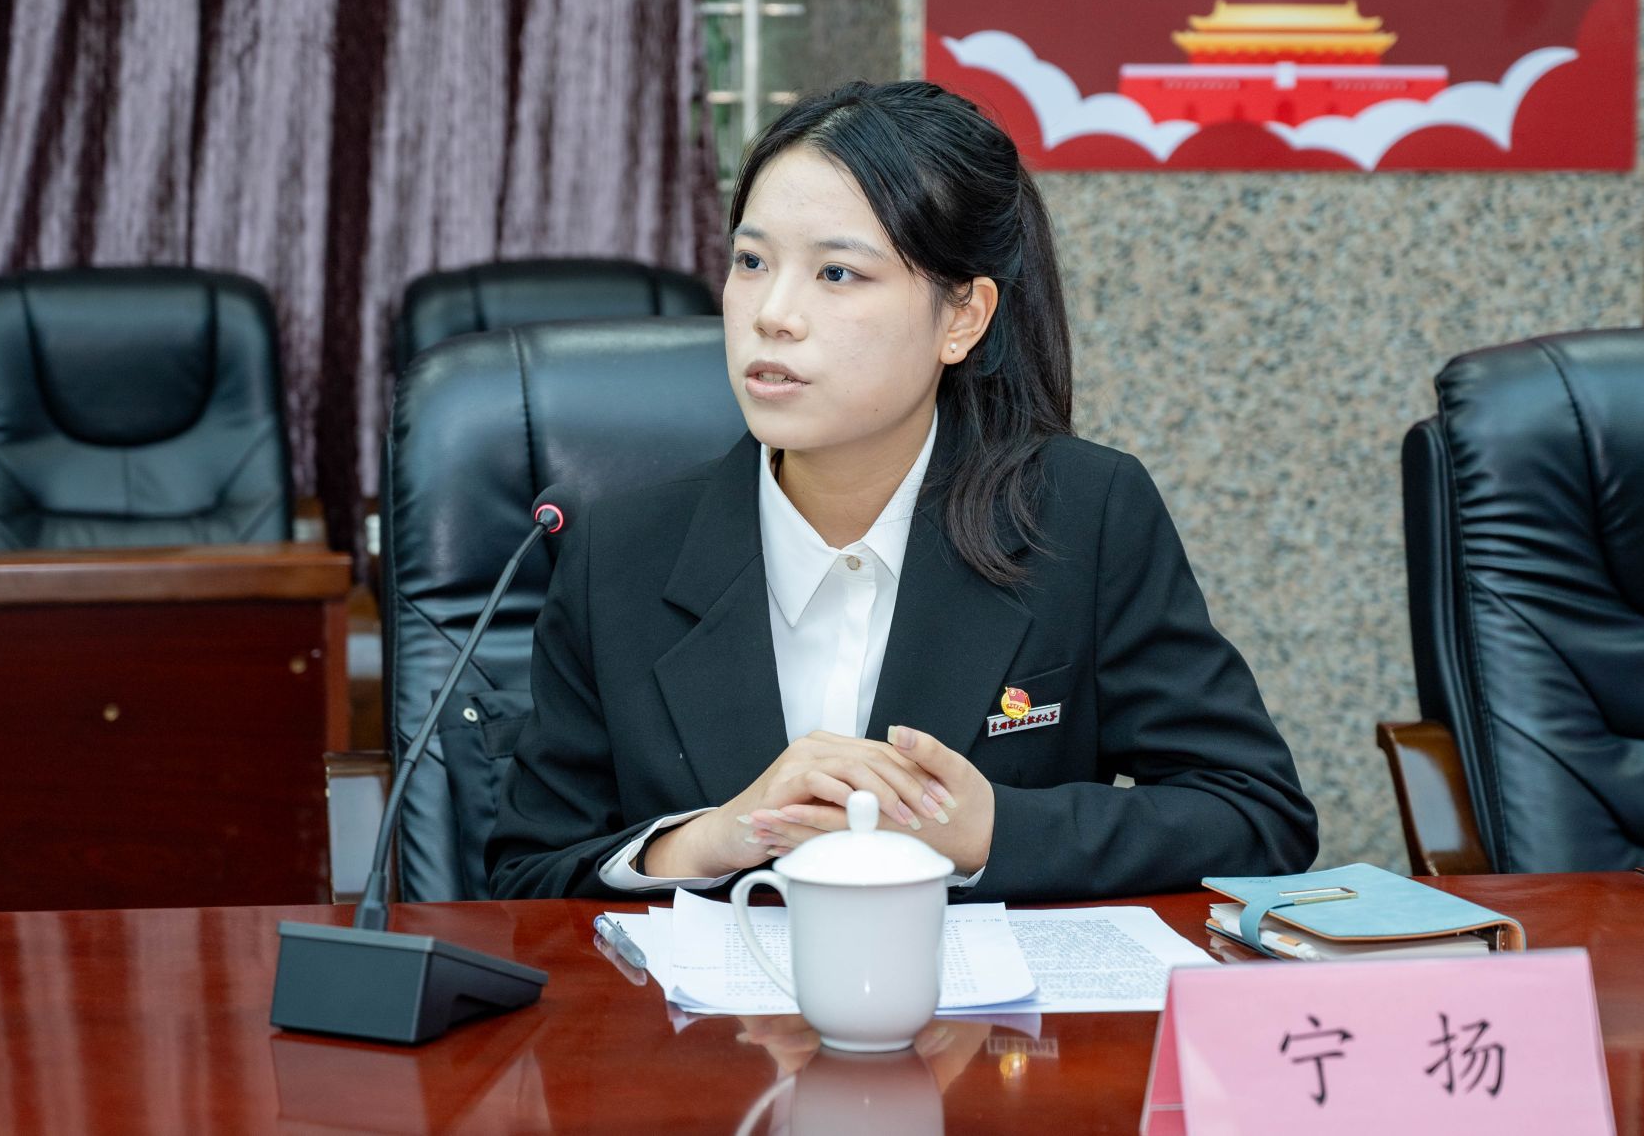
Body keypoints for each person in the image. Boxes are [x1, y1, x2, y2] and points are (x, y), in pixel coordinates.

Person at [488, 80, 1315, 902]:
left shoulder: (1080, 514)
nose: (773, 314)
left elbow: (1255, 813)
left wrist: (989, 830)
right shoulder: (618, 553)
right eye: (752, 262)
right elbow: (523, 879)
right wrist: (709, 838)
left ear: (962, 318)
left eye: (837, 272)